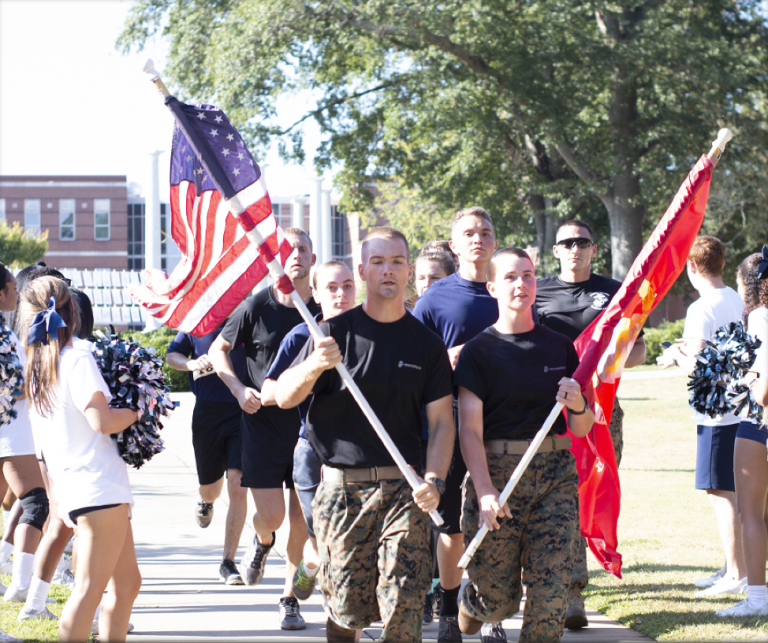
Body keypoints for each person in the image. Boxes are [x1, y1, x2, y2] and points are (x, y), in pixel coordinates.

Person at [275, 226, 454, 643]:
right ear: (363, 270)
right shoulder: (332, 334)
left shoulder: (425, 344)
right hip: (342, 492)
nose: (387, 271)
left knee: (405, 604)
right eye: (377, 262)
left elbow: (443, 423)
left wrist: (434, 479)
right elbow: (283, 396)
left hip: (404, 491)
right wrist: (314, 366)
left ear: (409, 271)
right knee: (347, 612)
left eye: (395, 262)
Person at [455, 247, 595, 642]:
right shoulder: (478, 351)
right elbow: (469, 430)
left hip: (554, 477)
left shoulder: (559, 347)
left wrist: (579, 403)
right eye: (512, 277)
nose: (522, 284)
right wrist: (484, 490)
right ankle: (474, 604)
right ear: (493, 287)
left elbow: (582, 428)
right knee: (498, 601)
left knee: (550, 595)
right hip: (498, 476)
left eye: (529, 275)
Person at [534, 219, 646, 629]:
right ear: (556, 249)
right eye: (567, 242)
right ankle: (569, 592)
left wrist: (610, 360)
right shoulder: (538, 291)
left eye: (582, 242)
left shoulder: (615, 291)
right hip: (548, 412)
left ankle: (573, 589)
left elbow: (638, 351)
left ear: (593, 249)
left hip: (600, 410)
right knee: (560, 493)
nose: (575, 248)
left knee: (589, 490)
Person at [209, 228, 320, 630]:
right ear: (274, 259)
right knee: (271, 517)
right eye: (287, 250)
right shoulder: (257, 306)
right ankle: (262, 542)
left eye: (302, 249)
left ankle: (289, 599)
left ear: (312, 257)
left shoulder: (323, 311)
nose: (295, 256)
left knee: (300, 522)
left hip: (309, 428)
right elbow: (216, 349)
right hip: (261, 421)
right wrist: (238, 389)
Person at [19, 276, 141, 642]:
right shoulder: (77, 359)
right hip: (98, 488)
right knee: (88, 590)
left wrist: (57, 497)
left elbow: (41, 444)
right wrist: (138, 410)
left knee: (128, 583)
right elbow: (102, 421)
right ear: (73, 312)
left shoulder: (38, 366)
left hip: (78, 488)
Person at [413, 206, 508, 643]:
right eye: (468, 233)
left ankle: (492, 614)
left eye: (485, 232)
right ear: (454, 245)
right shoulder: (435, 299)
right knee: (450, 523)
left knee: (497, 519)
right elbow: (413, 367)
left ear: (494, 240)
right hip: (450, 424)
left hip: (505, 424)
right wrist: (446, 364)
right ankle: (449, 611)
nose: (478, 239)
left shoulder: (512, 289)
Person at [260, 260, 356, 603]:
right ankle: (309, 566)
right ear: (314, 294)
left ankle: (341, 608)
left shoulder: (371, 331)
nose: (341, 294)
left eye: (347, 285)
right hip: (313, 452)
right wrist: (310, 368)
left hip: (362, 452)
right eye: (331, 287)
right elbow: (270, 393)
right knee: (321, 537)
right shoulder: (302, 335)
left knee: (348, 542)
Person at [657, 236, 746, 596]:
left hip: (716, 413)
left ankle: (737, 574)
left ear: (691, 267)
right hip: (742, 406)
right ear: (723, 264)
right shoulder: (739, 300)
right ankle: (733, 566)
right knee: (737, 491)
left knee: (720, 491)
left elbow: (701, 366)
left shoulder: (699, 308)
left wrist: (676, 357)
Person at [166, 322, 249, 585]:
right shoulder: (198, 321)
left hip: (242, 410)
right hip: (207, 414)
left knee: (238, 483)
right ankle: (206, 501)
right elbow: (172, 356)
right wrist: (190, 364)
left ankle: (228, 562)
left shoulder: (247, 315)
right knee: (211, 489)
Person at [715, 249, 768, 617]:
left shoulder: (762, 316)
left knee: (750, 513)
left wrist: (741, 385)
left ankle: (758, 600)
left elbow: (764, 382)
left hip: (760, 422)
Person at [0, 263, 50, 605]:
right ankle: (23, 589)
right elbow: (12, 383)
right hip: (11, 431)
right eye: (12, 288)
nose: (16, 293)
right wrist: (39, 382)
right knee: (35, 503)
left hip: (14, 430)